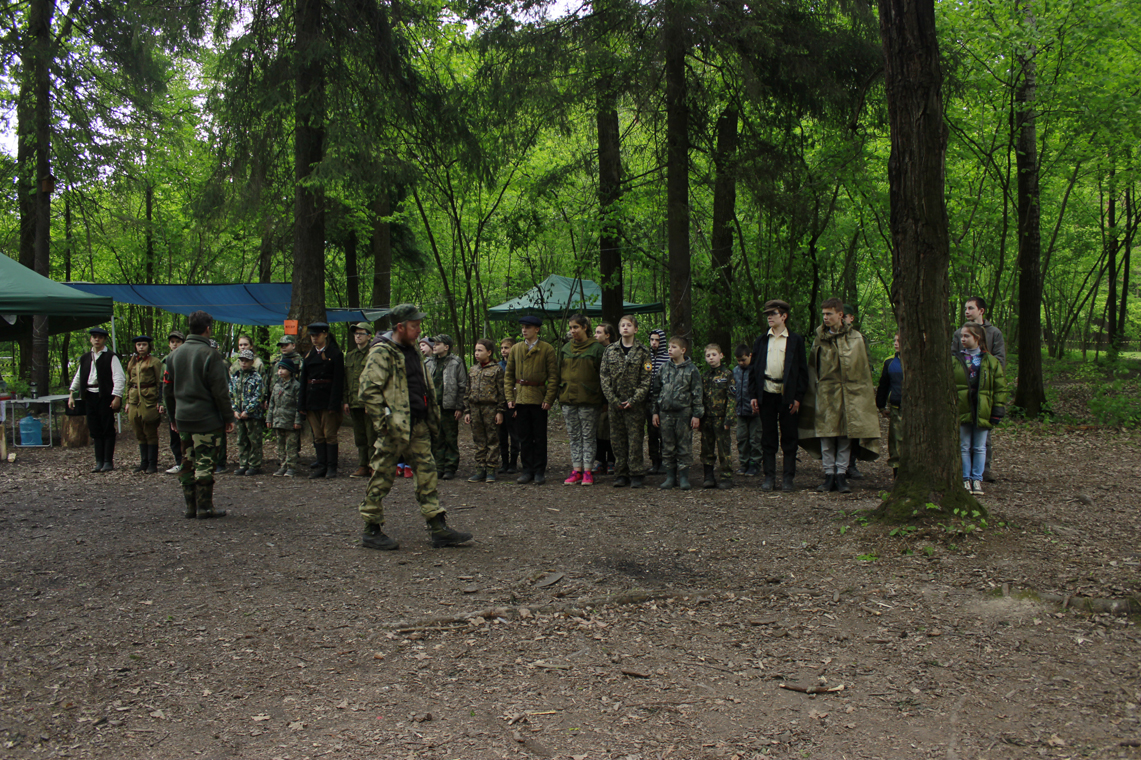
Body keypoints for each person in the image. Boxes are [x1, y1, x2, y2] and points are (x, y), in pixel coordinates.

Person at [356, 303, 473, 550]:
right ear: (400, 326)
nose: (419, 330)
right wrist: (383, 420)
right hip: (394, 428)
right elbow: (368, 390)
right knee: (382, 475)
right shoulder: (381, 352)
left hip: (417, 425)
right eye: (414, 325)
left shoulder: (412, 350)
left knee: (427, 473)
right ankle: (371, 529)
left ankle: (438, 528)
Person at [799, 297, 879, 494]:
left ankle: (841, 475)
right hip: (826, 394)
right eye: (824, 314)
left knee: (844, 436)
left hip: (849, 395)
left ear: (840, 315)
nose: (825, 318)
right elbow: (812, 369)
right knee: (826, 437)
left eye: (829, 314)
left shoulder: (856, 338)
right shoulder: (819, 338)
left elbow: (862, 372)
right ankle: (828, 475)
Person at [163, 310, 236, 519]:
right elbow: (220, 392)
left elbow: (167, 390)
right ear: (207, 329)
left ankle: (190, 507)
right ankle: (204, 507)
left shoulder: (173, 356)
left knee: (187, 462)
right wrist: (228, 417)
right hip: (207, 419)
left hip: (183, 418)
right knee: (204, 461)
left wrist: (172, 417)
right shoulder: (210, 355)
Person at [748, 300, 810, 492]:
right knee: (768, 437)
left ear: (784, 316)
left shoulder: (795, 340)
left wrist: (798, 397)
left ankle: (788, 477)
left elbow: (801, 371)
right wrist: (753, 395)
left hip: (787, 395)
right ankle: (769, 477)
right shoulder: (761, 340)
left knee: (789, 437)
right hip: (766, 393)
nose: (769, 317)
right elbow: (754, 369)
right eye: (767, 314)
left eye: (773, 314)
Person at [952, 296, 1006, 482]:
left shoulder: (994, 333)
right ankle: (964, 474)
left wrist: (984, 371)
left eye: (970, 308)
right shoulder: (959, 333)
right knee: (964, 437)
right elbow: (953, 358)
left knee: (983, 435)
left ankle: (984, 471)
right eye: (965, 308)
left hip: (985, 389)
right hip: (964, 391)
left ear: (981, 311)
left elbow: (1000, 360)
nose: (967, 311)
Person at [504, 315, 558, 485]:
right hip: (520, 398)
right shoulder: (516, 349)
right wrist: (510, 397)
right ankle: (527, 470)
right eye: (523, 327)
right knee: (524, 437)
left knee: (540, 437)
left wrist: (549, 398)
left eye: (528, 327)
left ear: (537, 329)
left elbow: (553, 376)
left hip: (539, 398)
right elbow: (509, 376)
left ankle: (539, 470)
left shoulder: (547, 349)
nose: (524, 330)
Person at [599, 315, 653, 488]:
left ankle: (636, 472)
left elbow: (646, 379)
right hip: (616, 404)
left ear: (635, 329)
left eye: (629, 325)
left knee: (635, 439)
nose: (625, 328)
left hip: (635, 405)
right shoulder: (610, 351)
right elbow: (604, 377)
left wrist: (634, 400)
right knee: (617, 439)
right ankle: (621, 473)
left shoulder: (643, 351)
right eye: (622, 325)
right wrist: (613, 400)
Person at [69, 326, 125, 472]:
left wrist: (117, 396)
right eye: (94, 337)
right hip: (89, 395)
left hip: (105, 396)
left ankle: (108, 461)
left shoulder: (111, 357)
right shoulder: (86, 358)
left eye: (99, 337)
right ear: (90, 339)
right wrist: (72, 394)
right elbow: (79, 376)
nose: (96, 339)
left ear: (104, 339)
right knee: (94, 428)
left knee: (107, 428)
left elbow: (119, 377)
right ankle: (99, 461)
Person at [557, 315, 605, 486]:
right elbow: (557, 373)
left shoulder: (597, 349)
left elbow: (604, 375)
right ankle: (576, 469)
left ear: (585, 327)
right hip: (568, 398)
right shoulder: (565, 349)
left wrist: (603, 399)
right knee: (574, 436)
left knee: (588, 436)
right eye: (570, 328)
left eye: (576, 327)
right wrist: (559, 394)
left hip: (589, 399)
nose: (572, 331)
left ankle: (588, 471)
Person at [652, 336, 703, 491]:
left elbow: (697, 393)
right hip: (666, 413)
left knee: (684, 446)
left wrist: (697, 414)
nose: (670, 349)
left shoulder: (692, 369)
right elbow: (656, 391)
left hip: (684, 413)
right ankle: (670, 476)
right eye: (669, 347)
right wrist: (655, 412)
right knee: (667, 445)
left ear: (683, 350)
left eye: (674, 347)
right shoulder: (663, 368)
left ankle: (684, 477)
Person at [299, 322, 345, 479]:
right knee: (318, 435)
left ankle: (332, 467)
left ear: (325, 334)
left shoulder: (336, 354)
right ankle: (321, 465)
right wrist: (302, 404)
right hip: (312, 400)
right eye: (312, 335)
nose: (314, 338)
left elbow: (338, 381)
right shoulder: (308, 355)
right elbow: (303, 380)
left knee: (329, 434)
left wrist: (334, 403)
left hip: (327, 399)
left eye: (317, 335)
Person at [463, 338, 506, 482]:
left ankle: (491, 469)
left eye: (480, 350)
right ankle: (480, 468)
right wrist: (467, 411)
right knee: (478, 439)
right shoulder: (473, 369)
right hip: (475, 408)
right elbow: (467, 390)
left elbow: (501, 392)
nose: (476, 353)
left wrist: (500, 411)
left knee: (492, 439)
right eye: (475, 350)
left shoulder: (496, 369)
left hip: (491, 408)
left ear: (489, 352)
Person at [426, 334, 467, 480]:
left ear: (446, 347)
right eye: (434, 344)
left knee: (450, 437)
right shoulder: (428, 362)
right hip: (432, 407)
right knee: (436, 438)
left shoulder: (456, 362)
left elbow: (462, 385)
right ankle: (438, 466)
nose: (434, 346)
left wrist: (459, 407)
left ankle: (450, 467)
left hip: (449, 406)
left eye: (438, 343)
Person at [841, 304, 872, 481]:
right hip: (836, 388)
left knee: (854, 429)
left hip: (855, 388)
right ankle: (837, 467)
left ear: (851, 318)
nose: (842, 319)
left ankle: (851, 464)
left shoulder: (859, 338)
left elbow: (864, 363)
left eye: (845, 316)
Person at [126, 334, 164, 474]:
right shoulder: (132, 361)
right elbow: (128, 381)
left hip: (149, 399)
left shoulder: (155, 362)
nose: (141, 347)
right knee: (138, 431)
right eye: (138, 345)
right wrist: (127, 401)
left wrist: (160, 401)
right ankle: (144, 462)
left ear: (148, 346)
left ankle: (152, 464)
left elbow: (160, 383)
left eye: (144, 344)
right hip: (134, 399)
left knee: (150, 430)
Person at [699, 344, 735, 490]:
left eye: (714, 355)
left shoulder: (727, 375)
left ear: (721, 356)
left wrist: (729, 417)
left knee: (723, 448)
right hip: (707, 418)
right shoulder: (705, 376)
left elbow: (732, 397)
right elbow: (700, 397)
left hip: (721, 417)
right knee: (706, 447)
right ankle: (708, 476)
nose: (711, 358)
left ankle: (726, 476)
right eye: (708, 356)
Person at [344, 322, 376, 478]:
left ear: (369, 336)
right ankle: (363, 465)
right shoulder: (350, 355)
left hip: (369, 403)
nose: (357, 336)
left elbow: (377, 380)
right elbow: (346, 380)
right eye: (356, 333)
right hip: (353, 401)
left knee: (372, 435)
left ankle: (373, 465)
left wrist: (371, 401)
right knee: (360, 436)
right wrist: (345, 400)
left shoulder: (374, 354)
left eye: (361, 333)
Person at [229, 348, 266, 476]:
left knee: (254, 440)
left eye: (247, 361)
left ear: (252, 362)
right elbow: (231, 394)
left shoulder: (256, 377)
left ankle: (255, 464)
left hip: (253, 415)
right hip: (239, 414)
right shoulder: (235, 376)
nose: (244, 363)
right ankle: (243, 464)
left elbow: (258, 396)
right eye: (242, 360)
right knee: (241, 440)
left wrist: (248, 411)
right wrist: (234, 410)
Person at [267, 357, 303, 476]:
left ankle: (291, 467)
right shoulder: (277, 385)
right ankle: (283, 465)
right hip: (278, 420)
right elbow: (271, 403)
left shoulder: (296, 386)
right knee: (280, 445)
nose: (281, 371)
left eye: (284, 368)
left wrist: (298, 420)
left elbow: (299, 405)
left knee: (291, 445)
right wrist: (269, 418)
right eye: (279, 368)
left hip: (290, 420)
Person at [876, 333, 904, 478]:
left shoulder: (921, 361)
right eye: (894, 340)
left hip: (914, 410)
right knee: (896, 444)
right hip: (896, 409)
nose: (896, 343)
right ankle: (897, 475)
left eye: (899, 341)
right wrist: (881, 406)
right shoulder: (890, 362)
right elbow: (883, 385)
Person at [732, 344, 761, 478]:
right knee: (741, 438)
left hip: (755, 411)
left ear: (750, 356)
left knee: (755, 439)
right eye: (738, 360)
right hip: (741, 410)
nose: (741, 363)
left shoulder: (756, 370)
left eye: (743, 359)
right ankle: (744, 463)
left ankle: (755, 463)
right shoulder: (735, 371)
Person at [593, 323, 617, 475]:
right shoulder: (596, 351)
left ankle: (612, 460)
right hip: (598, 394)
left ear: (607, 335)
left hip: (612, 396)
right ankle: (600, 459)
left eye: (599, 332)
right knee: (599, 429)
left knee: (610, 429)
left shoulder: (614, 351)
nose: (596, 335)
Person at [162, 330, 186, 473]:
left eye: (178, 341)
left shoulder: (189, 359)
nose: (175, 344)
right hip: (173, 402)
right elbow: (164, 386)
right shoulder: (166, 362)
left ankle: (190, 461)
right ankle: (179, 461)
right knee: (174, 435)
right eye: (172, 342)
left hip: (188, 403)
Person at [645, 328, 669, 473]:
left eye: (657, 340)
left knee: (664, 433)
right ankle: (654, 461)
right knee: (652, 433)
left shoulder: (667, 358)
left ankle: (666, 461)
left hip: (664, 402)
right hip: (648, 401)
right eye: (652, 340)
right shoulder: (646, 357)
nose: (654, 343)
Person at [496, 337, 520, 475]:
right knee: (502, 435)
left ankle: (513, 463)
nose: (504, 350)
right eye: (502, 348)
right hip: (501, 404)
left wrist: (517, 406)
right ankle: (504, 462)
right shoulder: (498, 366)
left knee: (514, 435)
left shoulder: (518, 365)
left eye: (506, 348)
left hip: (513, 404)